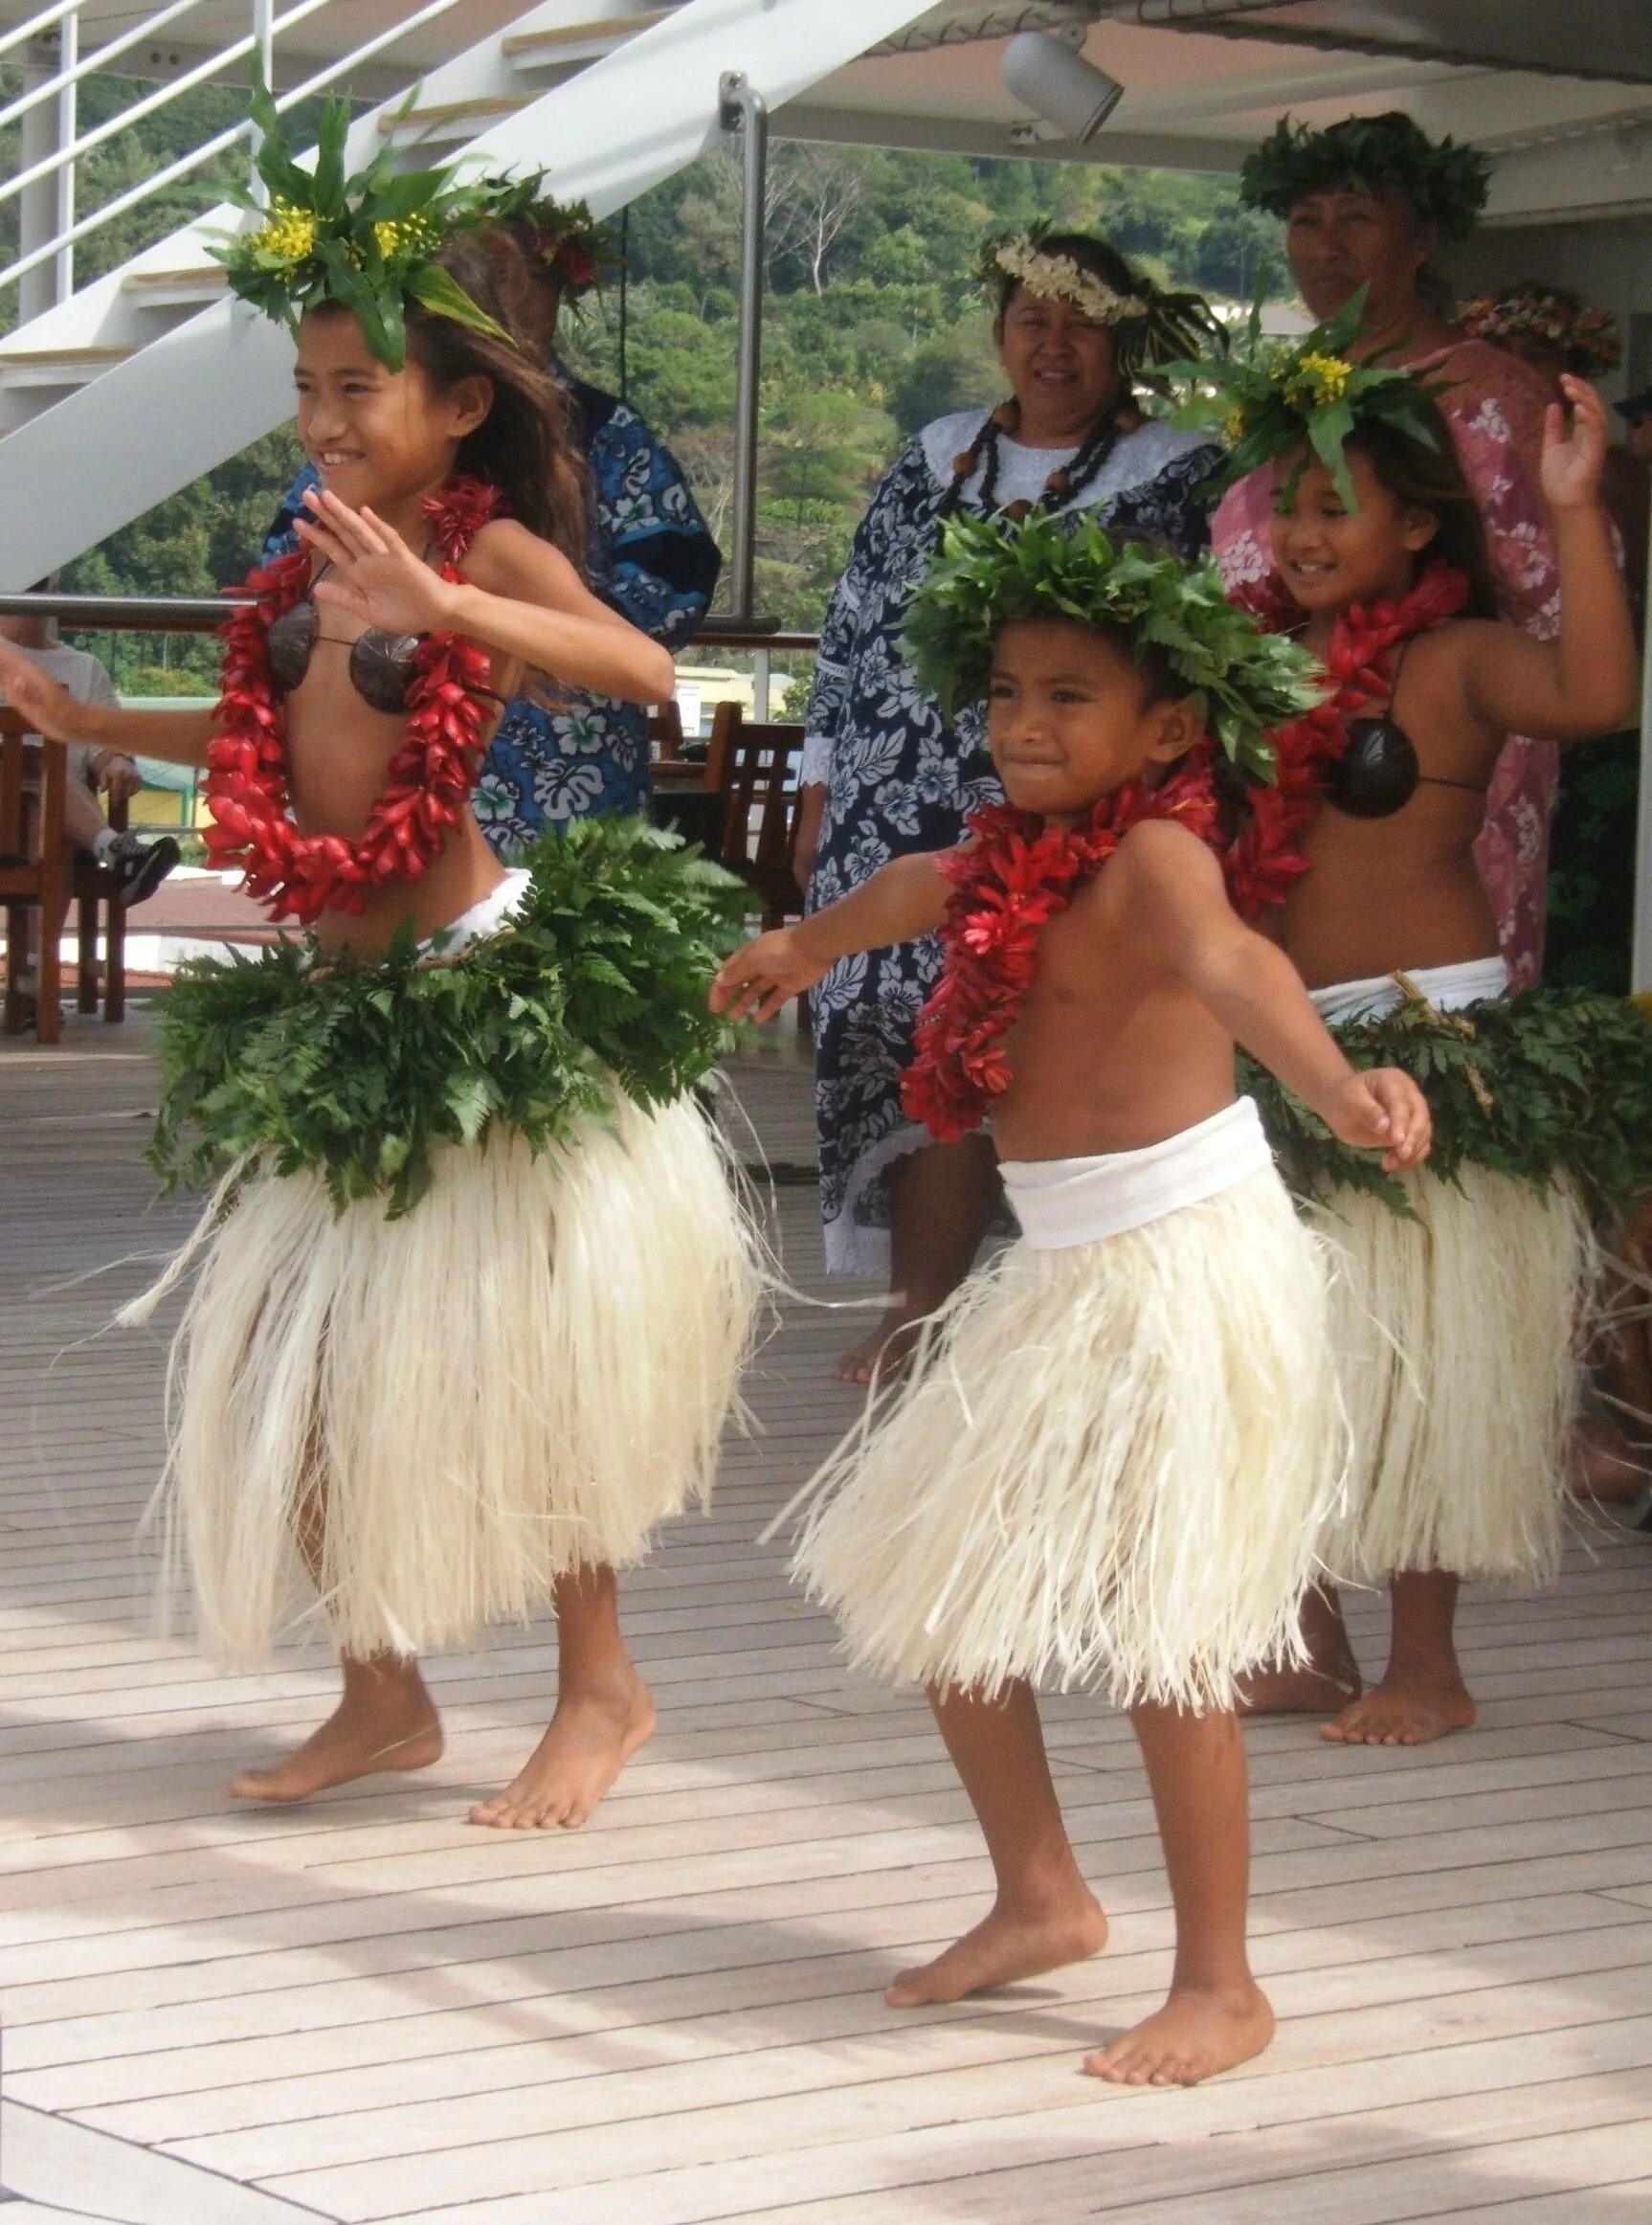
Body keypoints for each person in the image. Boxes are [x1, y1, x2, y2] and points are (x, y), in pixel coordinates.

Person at [0, 93, 761, 1830]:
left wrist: (452, 609)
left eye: (361, 387)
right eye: (307, 387)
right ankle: (384, 1690)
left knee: (523, 1361)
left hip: (477, 1002)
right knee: (306, 1365)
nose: (327, 417)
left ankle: (602, 1683)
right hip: (342, 1016)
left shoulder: (473, 544)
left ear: (457, 404)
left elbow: (639, 671)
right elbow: (268, 721)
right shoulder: (300, 561)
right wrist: (86, 710)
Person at [713, 512, 1432, 2086]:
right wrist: (796, 940)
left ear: (1167, 727)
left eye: (1069, 699)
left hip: (1178, 1268)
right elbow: (910, 884)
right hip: (1056, 1266)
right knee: (947, 1592)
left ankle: (1222, 1980)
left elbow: (1241, 968)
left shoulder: (1162, 853)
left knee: (1170, 1640)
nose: (1025, 727)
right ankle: (1041, 1890)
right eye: (1007, 694)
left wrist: (1338, 1086)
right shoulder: (1005, 854)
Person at [1186, 315, 1643, 1744]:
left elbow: (1595, 695)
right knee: (1280, 1346)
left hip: (1423, 1040)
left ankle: (1426, 1661)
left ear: (1416, 523)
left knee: (1412, 1356)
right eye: (1290, 504)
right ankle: (1305, 1623)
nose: (1304, 531)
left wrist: (1573, 507)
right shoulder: (1240, 665)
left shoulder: (1449, 662)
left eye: (1338, 504)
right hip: (1277, 1045)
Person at [796, 229, 1228, 1381]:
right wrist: (819, 781)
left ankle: (1066, 1321)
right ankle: (918, 1303)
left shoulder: (1182, 471)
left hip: (1067, 799)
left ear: (1122, 340)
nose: (1052, 343)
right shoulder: (934, 454)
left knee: (1027, 1027)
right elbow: (851, 628)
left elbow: (1198, 645)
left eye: (1079, 320)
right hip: (896, 794)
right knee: (900, 1023)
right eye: (1030, 318)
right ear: (999, 334)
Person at [1217, 111, 1568, 990]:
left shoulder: (1497, 394)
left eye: (1357, 217)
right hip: (1282, 756)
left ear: (1421, 239)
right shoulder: (1288, 397)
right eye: (1307, 220)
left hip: (1445, 765)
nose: (1325, 245)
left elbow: (1548, 604)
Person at [264, 183, 721, 846]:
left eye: (529, 281)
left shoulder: (607, 434)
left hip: (570, 738)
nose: (514, 301)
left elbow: (669, 597)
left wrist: (520, 630)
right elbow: (288, 575)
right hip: (395, 776)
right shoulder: (358, 458)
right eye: (495, 281)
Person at [1457, 286, 1644, 993]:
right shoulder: (1481, 463)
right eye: (1505, 356)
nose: (1517, 372)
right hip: (1518, 705)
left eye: (1537, 358)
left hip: (1609, 714)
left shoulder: (1617, 476)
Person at [0, 604, 180, 916]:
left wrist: (117, 762)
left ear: (51, 593)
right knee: (39, 772)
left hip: (57, 821)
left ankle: (33, 961)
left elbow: (106, 743)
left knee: (50, 804)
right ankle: (113, 850)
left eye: (35, 589)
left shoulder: (85, 668)